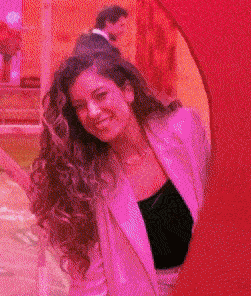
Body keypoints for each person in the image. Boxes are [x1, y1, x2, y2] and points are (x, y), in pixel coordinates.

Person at [29, 51, 210, 296]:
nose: (92, 112)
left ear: (128, 91)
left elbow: (226, 206)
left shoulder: (184, 129)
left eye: (101, 95)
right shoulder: (88, 182)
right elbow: (90, 280)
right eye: (79, 107)